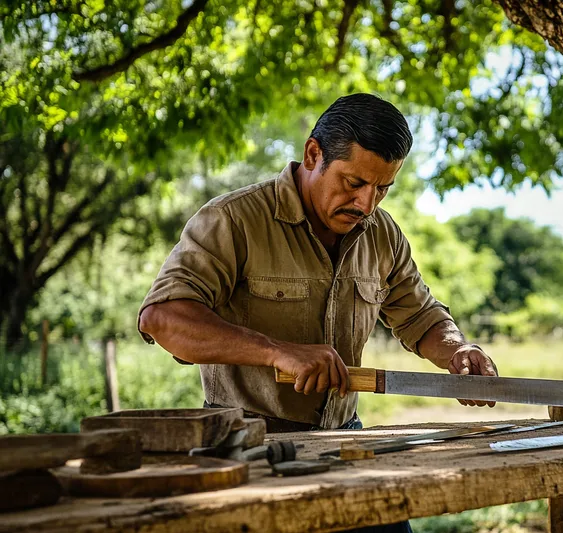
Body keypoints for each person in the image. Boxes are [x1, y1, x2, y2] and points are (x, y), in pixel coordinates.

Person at [138, 94, 498, 532]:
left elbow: (420, 316)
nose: (367, 203)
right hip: (249, 447)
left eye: (382, 188)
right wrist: (277, 352)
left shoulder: (382, 234)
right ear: (313, 154)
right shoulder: (233, 220)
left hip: (348, 438)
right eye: (354, 183)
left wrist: (457, 350)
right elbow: (163, 319)